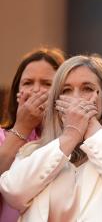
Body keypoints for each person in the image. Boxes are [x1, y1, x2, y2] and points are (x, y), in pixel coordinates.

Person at [0, 55, 102, 221]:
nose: (75, 98)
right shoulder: (31, 152)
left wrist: (89, 123)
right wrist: (70, 135)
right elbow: (14, 191)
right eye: (66, 90)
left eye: (87, 89)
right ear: (55, 102)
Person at [0, 48, 65, 221]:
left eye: (46, 84)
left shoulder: (71, 140)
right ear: (17, 93)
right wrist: (23, 127)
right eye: (28, 83)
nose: (36, 90)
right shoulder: (1, 136)